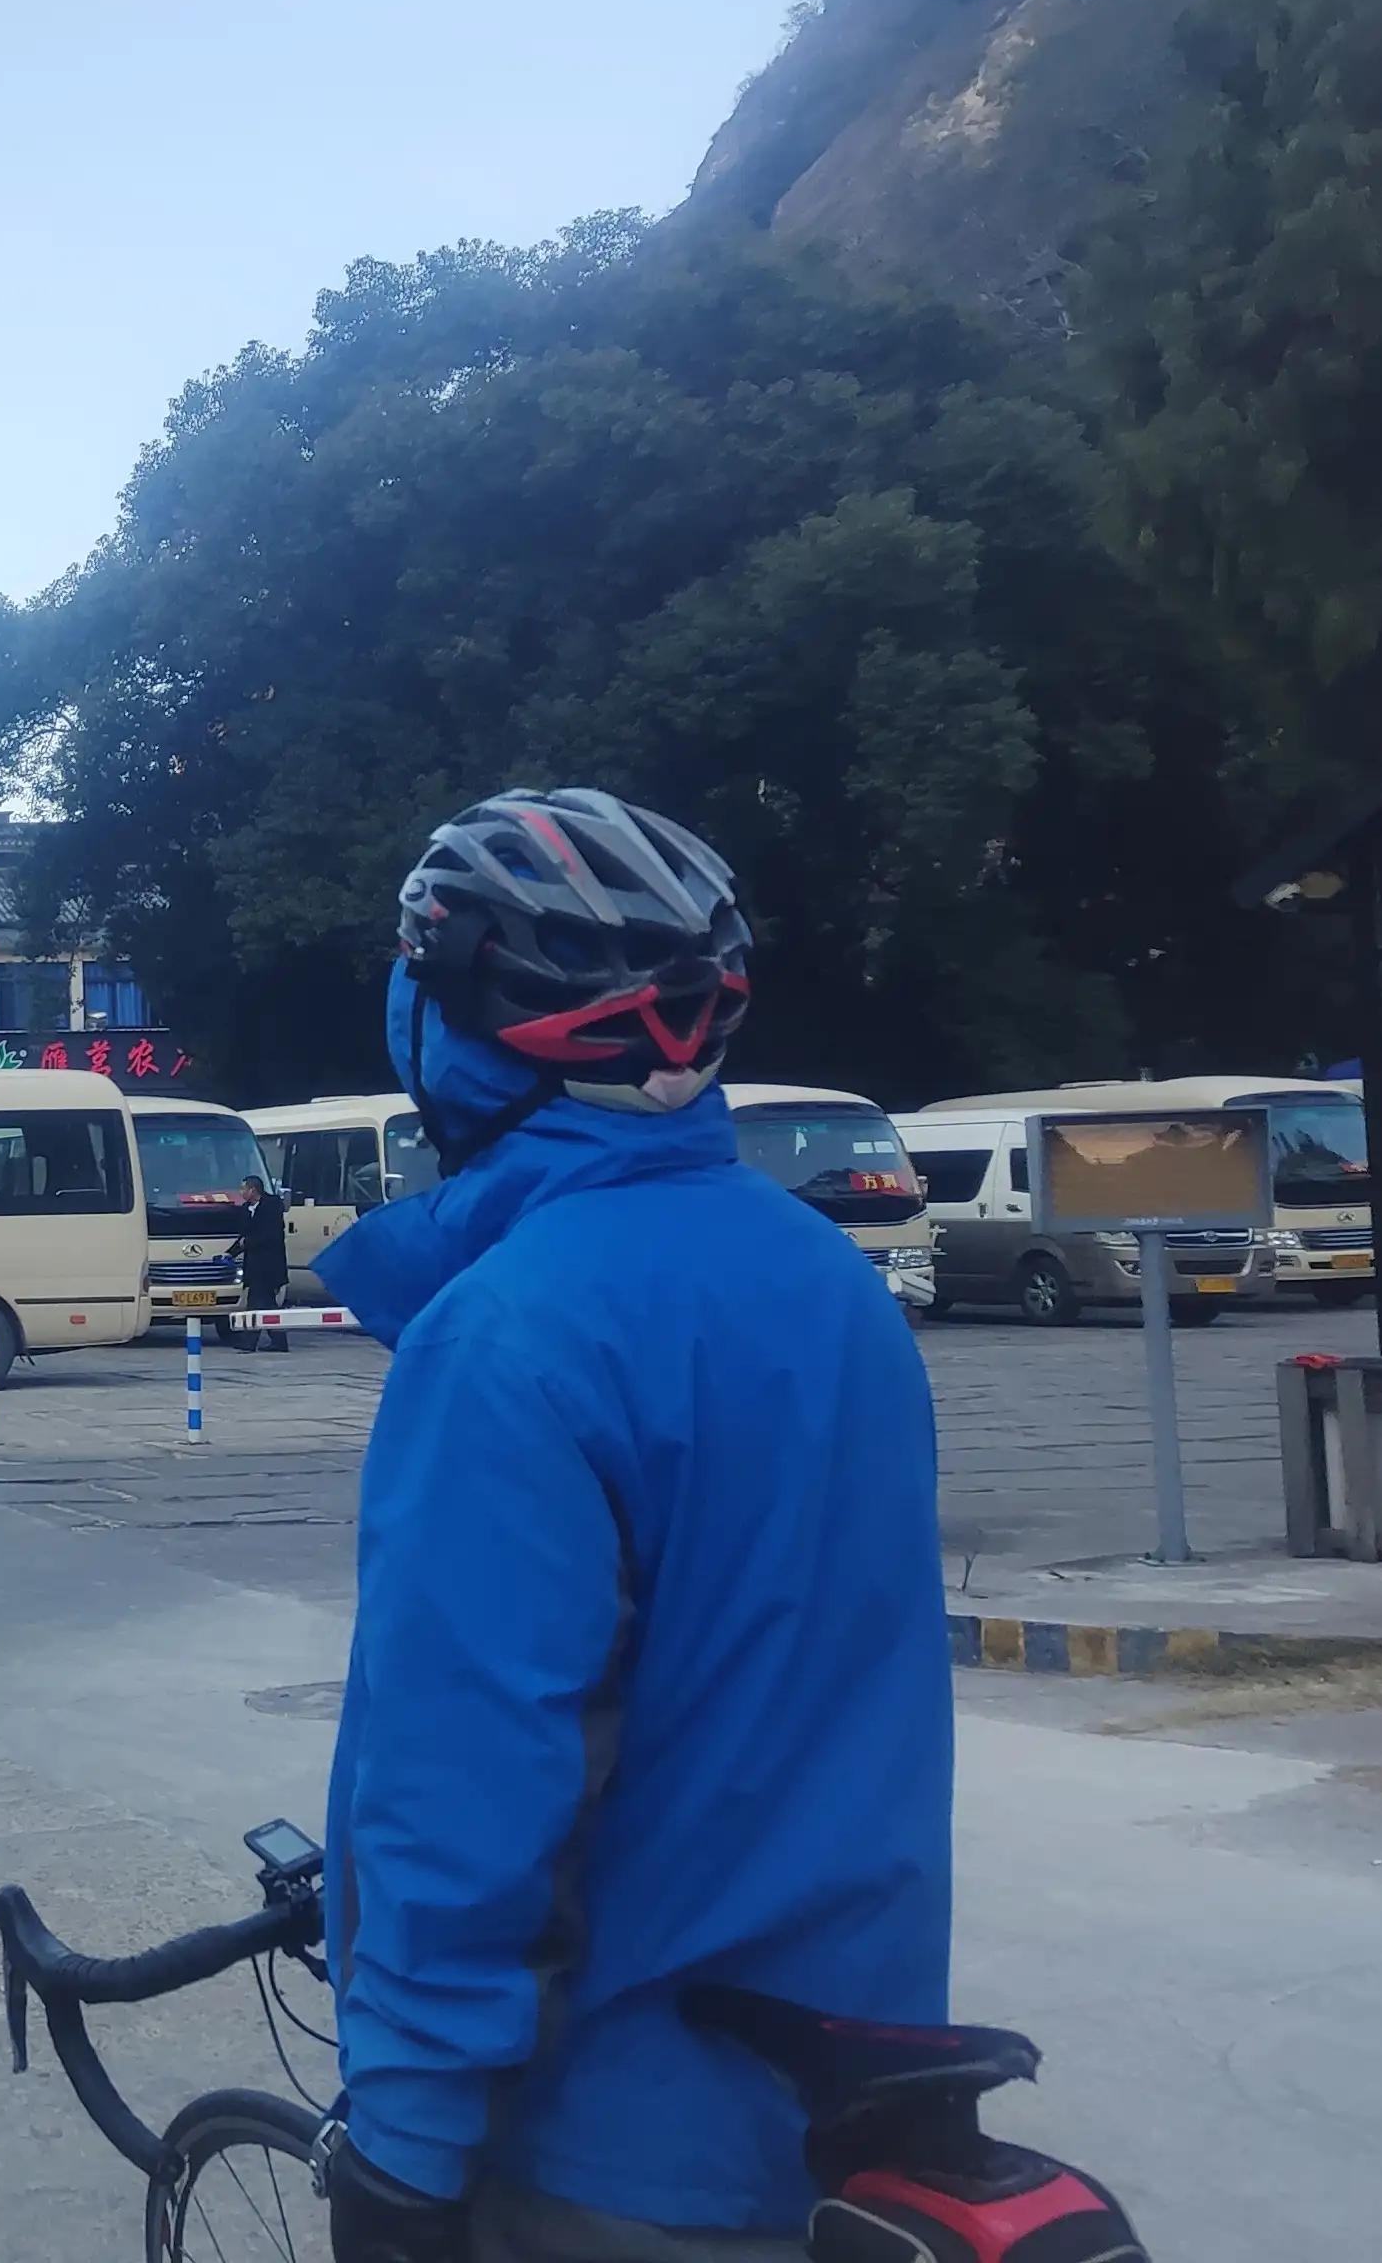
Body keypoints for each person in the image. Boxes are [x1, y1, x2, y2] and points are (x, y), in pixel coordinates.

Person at [305, 790, 951, 2262]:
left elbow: (471, 1779)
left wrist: (403, 2144)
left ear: (436, 1015)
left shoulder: (511, 1338)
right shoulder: (827, 1282)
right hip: (844, 2100)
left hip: (609, 2133)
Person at [232, 1173, 293, 1352]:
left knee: (256, 1303)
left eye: (243, 1189)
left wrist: (248, 1242)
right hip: (254, 1267)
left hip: (268, 1266)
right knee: (266, 1304)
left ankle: (250, 1342)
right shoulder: (245, 1209)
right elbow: (243, 1237)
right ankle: (278, 1341)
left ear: (253, 1190)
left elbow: (270, 1235)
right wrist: (230, 1253)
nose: (241, 1192)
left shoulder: (272, 1206)